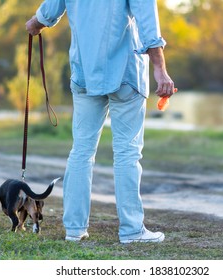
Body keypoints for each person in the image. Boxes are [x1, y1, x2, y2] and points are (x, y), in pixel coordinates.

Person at [26, 0, 175, 244]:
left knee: (81, 151)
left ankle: (74, 229)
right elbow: (148, 20)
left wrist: (35, 24)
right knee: (127, 153)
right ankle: (131, 230)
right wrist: (160, 68)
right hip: (126, 73)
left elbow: (49, 11)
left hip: (84, 72)